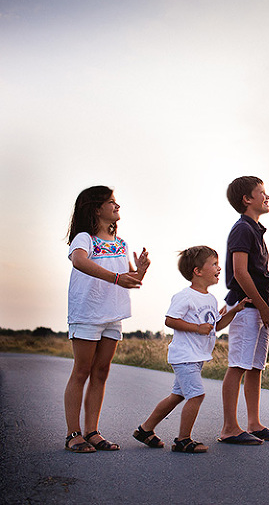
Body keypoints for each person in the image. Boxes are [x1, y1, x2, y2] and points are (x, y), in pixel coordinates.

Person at [133, 246, 248, 453]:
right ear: (198, 271)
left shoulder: (211, 299)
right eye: (214, 264)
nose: (219, 268)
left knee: (177, 395)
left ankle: (145, 430)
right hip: (184, 355)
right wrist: (196, 327)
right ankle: (183, 440)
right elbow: (170, 320)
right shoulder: (185, 296)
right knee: (196, 395)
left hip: (196, 357)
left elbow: (215, 327)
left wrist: (234, 311)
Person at [64, 186, 150, 453]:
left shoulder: (120, 243)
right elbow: (79, 262)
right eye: (111, 202)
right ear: (96, 208)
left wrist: (141, 271)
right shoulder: (84, 239)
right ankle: (73, 434)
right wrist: (117, 278)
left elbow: (129, 281)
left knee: (101, 373)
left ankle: (92, 431)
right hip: (88, 314)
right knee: (81, 371)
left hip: (113, 316)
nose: (117, 206)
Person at [218, 176, 269, 445]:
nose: (267, 197)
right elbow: (240, 272)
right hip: (247, 308)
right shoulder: (242, 229)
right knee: (238, 366)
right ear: (247, 199)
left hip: (258, 309)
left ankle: (254, 423)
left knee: (255, 367)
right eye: (262, 193)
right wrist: (264, 307)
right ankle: (230, 428)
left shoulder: (256, 230)